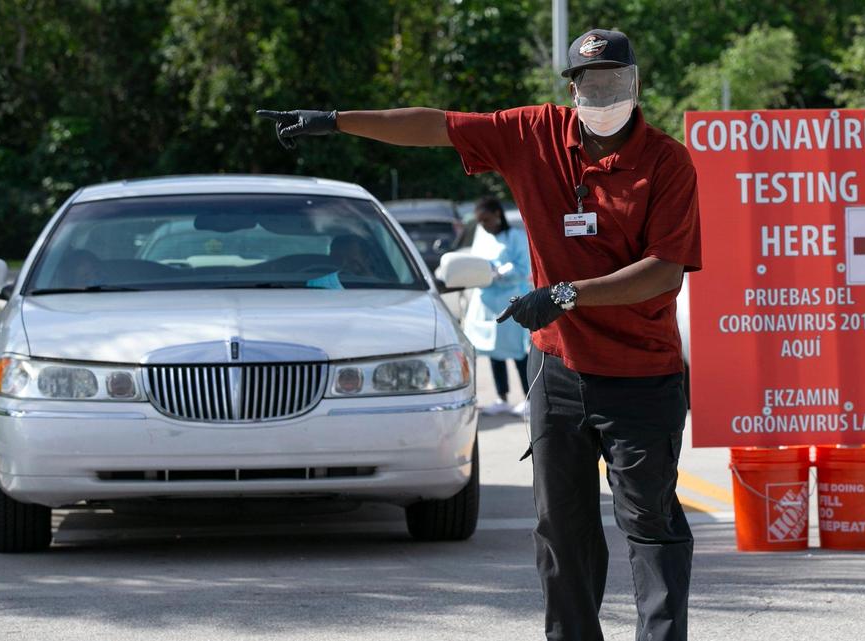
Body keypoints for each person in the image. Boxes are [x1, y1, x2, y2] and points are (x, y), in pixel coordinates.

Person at [258, 28, 702, 641]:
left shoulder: (667, 161)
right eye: (590, 83)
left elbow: (664, 270)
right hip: (560, 372)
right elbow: (434, 125)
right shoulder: (534, 133)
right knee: (561, 527)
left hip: (641, 377)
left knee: (648, 520)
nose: (603, 94)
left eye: (615, 82)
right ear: (571, 87)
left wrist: (569, 293)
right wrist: (336, 122)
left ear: (635, 84)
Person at [463, 196, 531, 417]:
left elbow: (523, 268)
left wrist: (501, 273)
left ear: (497, 215)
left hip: (510, 300)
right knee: (494, 350)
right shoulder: (481, 236)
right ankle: (502, 397)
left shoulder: (515, 237)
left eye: (486, 220)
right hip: (486, 302)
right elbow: (475, 262)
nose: (483, 225)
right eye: (480, 221)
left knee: (517, 351)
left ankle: (529, 398)